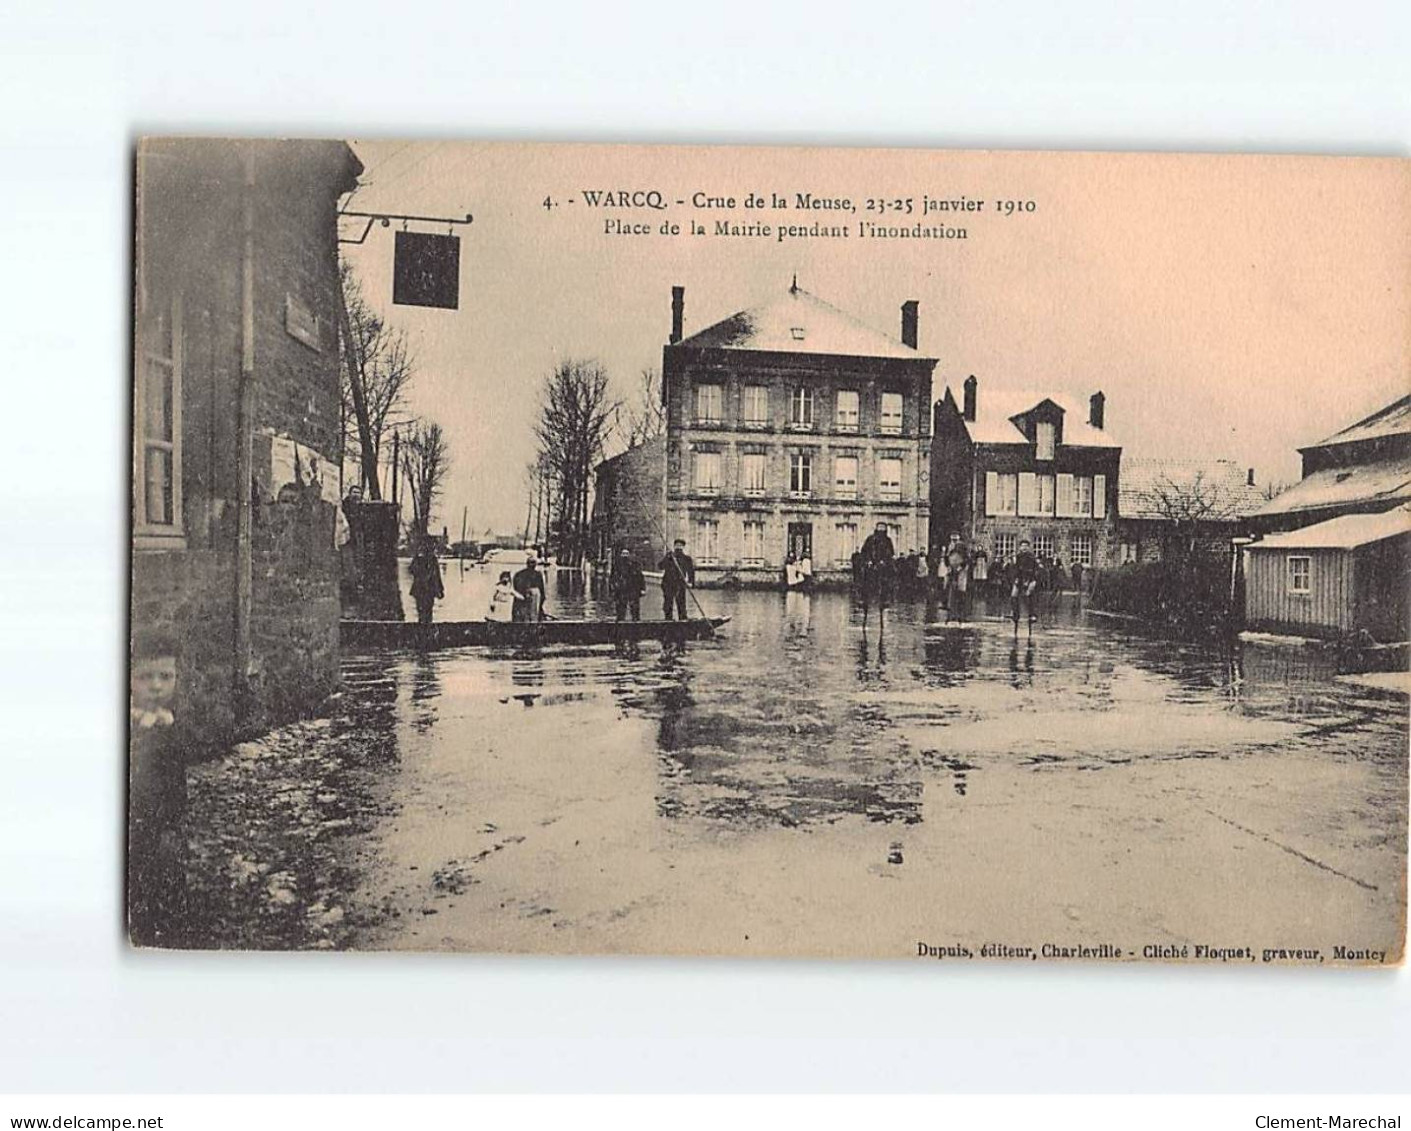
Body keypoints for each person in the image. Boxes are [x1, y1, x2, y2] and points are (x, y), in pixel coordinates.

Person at [128, 631, 186, 946]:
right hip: (132, 828)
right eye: (145, 677)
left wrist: (175, 822)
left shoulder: (168, 723)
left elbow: (176, 779)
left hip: (163, 826)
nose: (156, 686)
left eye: (166, 676)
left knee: (163, 883)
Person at [858, 522, 895, 613]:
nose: (881, 530)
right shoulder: (870, 539)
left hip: (883, 564)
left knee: (885, 581)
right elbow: (864, 551)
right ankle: (863, 600)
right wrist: (869, 561)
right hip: (871, 563)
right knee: (865, 580)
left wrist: (884, 560)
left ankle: (885, 600)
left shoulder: (888, 540)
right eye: (879, 528)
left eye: (883, 528)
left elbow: (890, 553)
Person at [409, 536, 445, 625]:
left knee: (427, 611)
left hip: (428, 589)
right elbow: (412, 570)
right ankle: (423, 629)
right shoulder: (420, 558)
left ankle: (425, 629)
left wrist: (440, 589)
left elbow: (437, 575)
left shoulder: (432, 559)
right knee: (423, 612)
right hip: (422, 589)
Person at [659, 538, 696, 621]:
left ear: (683, 547)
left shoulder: (687, 559)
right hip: (668, 583)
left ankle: (682, 620)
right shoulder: (670, 557)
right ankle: (668, 620)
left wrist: (691, 582)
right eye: (677, 545)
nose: (678, 547)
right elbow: (660, 566)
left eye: (680, 546)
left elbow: (691, 572)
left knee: (681, 603)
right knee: (668, 603)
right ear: (674, 546)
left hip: (680, 584)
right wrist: (667, 558)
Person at [610, 547, 646, 622]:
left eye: (626, 554)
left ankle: (636, 624)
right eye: (623, 554)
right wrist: (612, 590)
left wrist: (642, 589)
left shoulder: (635, 565)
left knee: (635, 610)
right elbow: (612, 578)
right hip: (621, 591)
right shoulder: (617, 566)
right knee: (620, 610)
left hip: (633, 589)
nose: (625, 556)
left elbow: (640, 577)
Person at [1012, 538, 1040, 627]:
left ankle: (1032, 615)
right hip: (1020, 578)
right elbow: (1016, 569)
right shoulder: (1018, 556)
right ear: (1020, 547)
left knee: (1029, 596)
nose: (1024, 548)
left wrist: (1032, 581)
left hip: (1030, 578)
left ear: (1028, 547)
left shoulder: (1031, 557)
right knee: (1013, 595)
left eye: (1026, 546)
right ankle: (1016, 614)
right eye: (1022, 546)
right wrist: (1016, 578)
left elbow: (1035, 569)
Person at [512, 555, 548, 622]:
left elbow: (541, 590)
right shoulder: (520, 574)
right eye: (532, 563)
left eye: (533, 563)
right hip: (526, 597)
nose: (533, 565)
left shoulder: (519, 574)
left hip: (528, 597)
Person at [944, 534, 971, 622]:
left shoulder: (961, 547)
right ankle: (951, 612)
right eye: (953, 540)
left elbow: (967, 559)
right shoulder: (950, 548)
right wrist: (948, 566)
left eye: (955, 540)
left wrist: (961, 567)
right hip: (952, 570)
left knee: (960, 591)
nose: (954, 541)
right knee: (950, 590)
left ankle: (961, 614)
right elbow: (947, 559)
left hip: (961, 571)